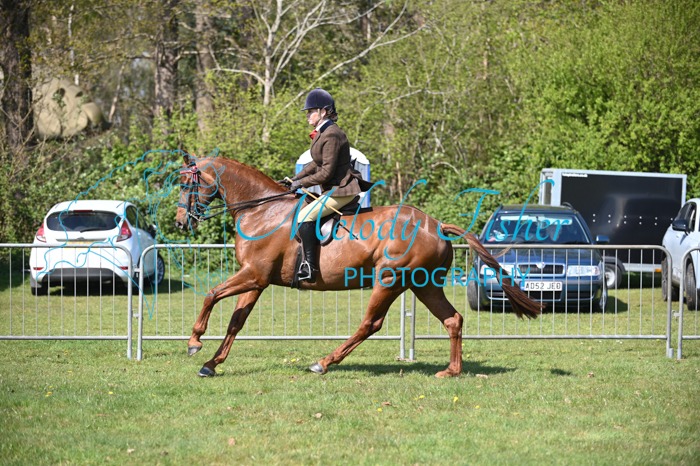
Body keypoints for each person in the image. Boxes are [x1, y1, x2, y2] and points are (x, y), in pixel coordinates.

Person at [281, 88, 369, 282]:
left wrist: (301, 183)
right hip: (333, 190)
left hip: (342, 190)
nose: (307, 115)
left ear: (323, 112)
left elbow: (326, 172)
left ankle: (309, 267)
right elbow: (316, 163)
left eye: (311, 111)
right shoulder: (324, 133)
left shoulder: (332, 134)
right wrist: (294, 179)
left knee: (305, 216)